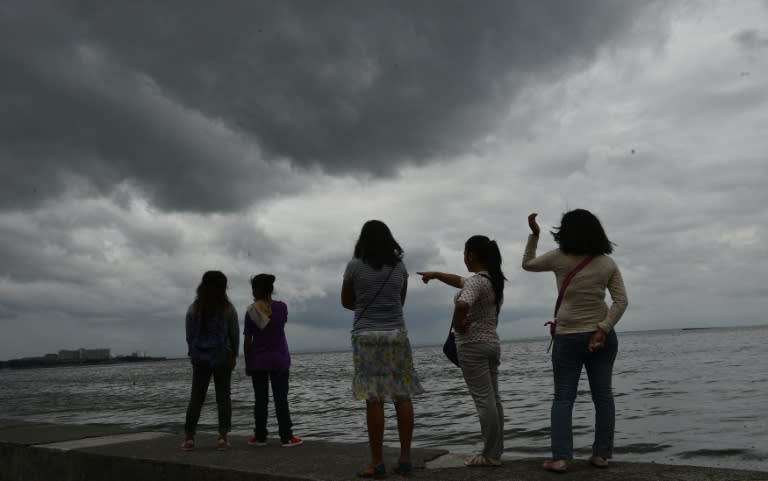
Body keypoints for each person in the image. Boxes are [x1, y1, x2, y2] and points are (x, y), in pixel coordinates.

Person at [522, 210, 628, 473]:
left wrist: (534, 235)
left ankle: (560, 458)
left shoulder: (559, 258)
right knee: (603, 396)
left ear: (566, 232)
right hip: (601, 337)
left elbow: (528, 264)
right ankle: (601, 455)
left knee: (563, 399)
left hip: (568, 337)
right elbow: (621, 301)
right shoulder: (607, 264)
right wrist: (603, 328)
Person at [341, 220, 423, 478]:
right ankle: (406, 458)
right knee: (402, 395)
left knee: (374, 397)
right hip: (396, 335)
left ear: (362, 240)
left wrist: (367, 304)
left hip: (366, 335)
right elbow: (400, 301)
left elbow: (346, 302)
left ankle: (377, 462)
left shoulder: (354, 266)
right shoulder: (400, 267)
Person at [418, 235, 507, 467]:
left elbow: (462, 303)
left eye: (464, 254)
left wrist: (458, 325)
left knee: (484, 401)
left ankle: (489, 454)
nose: (464, 259)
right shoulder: (491, 280)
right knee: (494, 399)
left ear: (471, 255)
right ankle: (496, 452)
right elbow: (460, 281)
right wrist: (436, 274)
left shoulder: (476, 283)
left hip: (472, 346)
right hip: (491, 345)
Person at [182, 270, 239, 451]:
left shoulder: (194, 308)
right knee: (223, 399)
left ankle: (189, 439)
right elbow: (234, 335)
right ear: (223, 287)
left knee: (196, 398)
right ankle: (222, 438)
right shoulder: (228, 309)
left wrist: (193, 353)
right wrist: (234, 356)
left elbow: (189, 335)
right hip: (223, 358)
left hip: (200, 359)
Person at [243, 273, 303, 447]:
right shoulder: (282, 307)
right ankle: (287, 437)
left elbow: (248, 341)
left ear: (256, 290)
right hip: (280, 360)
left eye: (253, 288)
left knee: (260, 401)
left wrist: (248, 363)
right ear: (271, 289)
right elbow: (280, 325)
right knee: (281, 400)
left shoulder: (251, 311)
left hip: (259, 361)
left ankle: (260, 436)